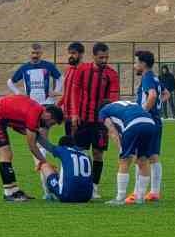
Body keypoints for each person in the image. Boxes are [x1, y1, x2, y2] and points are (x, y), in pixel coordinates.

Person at [59, 41, 121, 198]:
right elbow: (73, 92)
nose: (104, 60)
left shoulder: (112, 74)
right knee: (79, 152)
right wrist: (74, 113)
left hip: (101, 122)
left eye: (106, 57)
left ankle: (94, 188)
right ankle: (79, 185)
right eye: (101, 57)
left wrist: (110, 119)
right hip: (83, 119)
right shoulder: (82, 70)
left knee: (98, 153)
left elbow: (113, 98)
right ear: (93, 56)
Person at [0, 93, 64, 202]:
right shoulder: (35, 114)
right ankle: (9, 193)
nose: (49, 126)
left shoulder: (37, 111)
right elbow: (32, 146)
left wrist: (54, 151)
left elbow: (36, 137)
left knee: (8, 154)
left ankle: (14, 191)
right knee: (5, 154)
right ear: (48, 115)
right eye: (52, 123)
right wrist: (44, 162)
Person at [97, 100, 158, 205]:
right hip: (151, 123)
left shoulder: (103, 111)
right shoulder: (126, 103)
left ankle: (120, 198)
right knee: (143, 159)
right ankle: (140, 198)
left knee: (125, 160)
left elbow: (112, 130)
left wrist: (121, 148)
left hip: (133, 124)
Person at [134, 50, 169, 201]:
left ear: (143, 64)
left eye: (136, 62)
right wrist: (157, 107)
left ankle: (137, 193)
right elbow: (166, 94)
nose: (135, 66)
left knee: (140, 156)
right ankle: (154, 192)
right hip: (156, 120)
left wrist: (142, 112)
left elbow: (153, 95)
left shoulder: (147, 77)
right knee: (154, 156)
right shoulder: (155, 77)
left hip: (147, 121)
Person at [39, 136, 95, 204]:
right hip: (86, 197)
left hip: (67, 196)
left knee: (44, 165)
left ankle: (48, 194)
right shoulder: (87, 155)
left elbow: (48, 146)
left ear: (62, 146)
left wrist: (35, 134)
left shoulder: (64, 150)